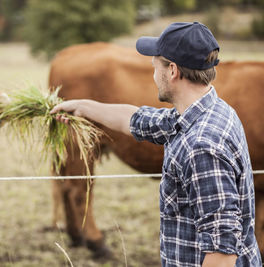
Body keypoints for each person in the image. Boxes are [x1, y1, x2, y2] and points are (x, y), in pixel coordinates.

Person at [50, 22, 262, 266]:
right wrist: (83, 107)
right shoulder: (208, 112)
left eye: (154, 66)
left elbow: (222, 254)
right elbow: (137, 119)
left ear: (172, 71)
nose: (152, 74)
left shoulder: (202, 147)